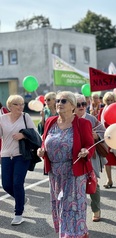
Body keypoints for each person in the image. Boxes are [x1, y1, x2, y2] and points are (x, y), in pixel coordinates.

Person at [37, 91, 95, 238]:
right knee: (59, 204)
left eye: (63, 101)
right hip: (55, 172)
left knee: (71, 205)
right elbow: (45, 142)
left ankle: (71, 234)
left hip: (74, 170)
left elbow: (90, 145)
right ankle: (79, 233)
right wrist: (42, 151)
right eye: (57, 101)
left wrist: (85, 151)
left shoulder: (82, 123)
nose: (59, 104)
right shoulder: (50, 121)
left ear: (72, 105)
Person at [0, 95, 37, 225]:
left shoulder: (25, 117)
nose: (21, 106)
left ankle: (18, 213)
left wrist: (23, 135)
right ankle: (21, 199)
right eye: (17, 104)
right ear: (10, 106)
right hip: (5, 155)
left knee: (17, 183)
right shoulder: (2, 119)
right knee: (6, 185)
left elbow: (35, 134)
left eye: (22, 104)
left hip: (22, 155)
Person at [74, 93, 107, 222]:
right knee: (76, 185)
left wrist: (96, 136)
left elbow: (104, 132)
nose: (81, 107)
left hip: (91, 156)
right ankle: (77, 212)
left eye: (83, 104)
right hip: (74, 157)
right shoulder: (69, 119)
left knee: (92, 182)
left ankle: (96, 209)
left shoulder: (91, 119)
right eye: (78, 104)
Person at [98, 92, 116, 188]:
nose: (109, 102)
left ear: (115, 100)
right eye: (107, 100)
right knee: (107, 159)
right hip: (106, 138)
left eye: (111, 100)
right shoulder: (102, 111)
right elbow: (98, 124)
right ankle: (109, 180)